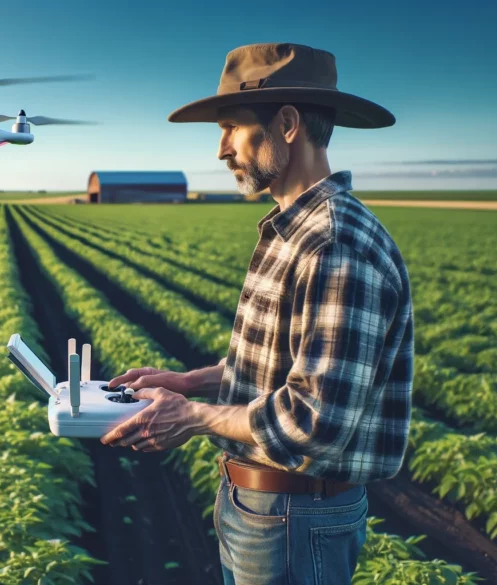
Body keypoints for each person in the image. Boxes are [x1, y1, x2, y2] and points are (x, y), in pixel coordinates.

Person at [100, 43, 414, 585]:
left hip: (294, 516)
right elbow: (281, 362)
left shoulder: (333, 245)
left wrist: (192, 416)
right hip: (268, 509)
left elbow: (310, 423)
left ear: (287, 124)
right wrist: (191, 381)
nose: (222, 150)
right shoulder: (292, 228)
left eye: (232, 127)